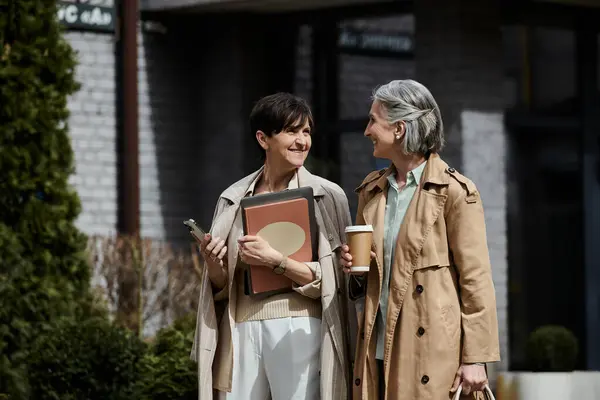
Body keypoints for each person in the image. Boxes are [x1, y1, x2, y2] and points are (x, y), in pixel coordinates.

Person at [340, 79, 500, 399]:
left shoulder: (454, 191)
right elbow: (365, 282)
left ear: (399, 129)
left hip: (432, 352)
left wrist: (475, 359)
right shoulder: (371, 191)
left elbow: (476, 278)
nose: (367, 131)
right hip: (375, 347)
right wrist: (356, 271)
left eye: (373, 120)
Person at [190, 92, 354, 400]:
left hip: (300, 325)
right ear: (263, 139)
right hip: (240, 327)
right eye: (292, 131)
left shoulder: (327, 195)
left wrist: (277, 261)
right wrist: (214, 266)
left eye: (306, 132)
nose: (302, 141)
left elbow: (340, 279)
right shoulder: (233, 198)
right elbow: (224, 287)